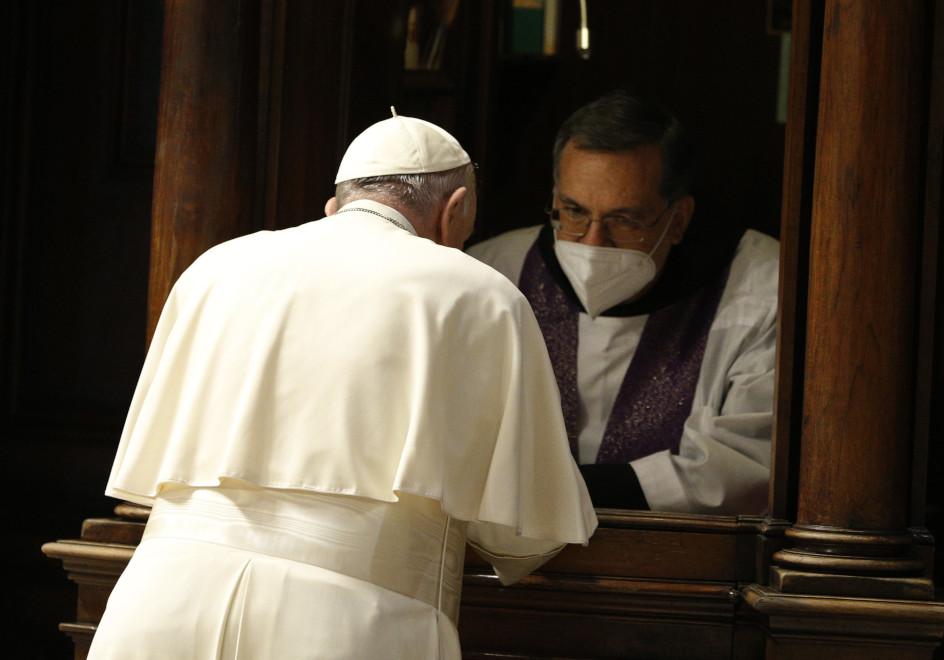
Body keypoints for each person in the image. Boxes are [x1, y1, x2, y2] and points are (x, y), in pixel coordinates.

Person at [88, 109, 597, 659]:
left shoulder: (214, 268)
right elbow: (525, 533)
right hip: (347, 625)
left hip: (157, 603)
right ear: (454, 214)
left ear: (336, 205)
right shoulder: (480, 295)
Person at [468, 90, 779, 515]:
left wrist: (556, 492)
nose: (594, 243)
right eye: (574, 212)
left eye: (625, 219)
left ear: (678, 219)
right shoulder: (491, 274)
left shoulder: (762, 288)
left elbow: (744, 469)